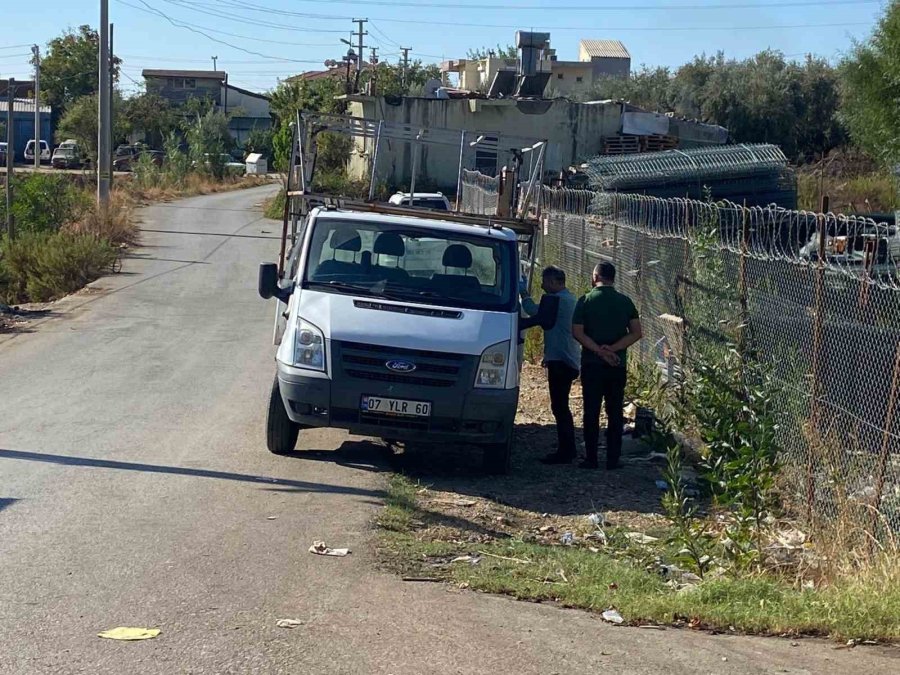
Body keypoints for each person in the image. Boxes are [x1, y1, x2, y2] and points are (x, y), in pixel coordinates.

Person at [572, 262, 643, 470]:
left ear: (595, 277)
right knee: (614, 411)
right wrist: (613, 349)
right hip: (616, 365)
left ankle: (591, 457)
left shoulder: (585, 300)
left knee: (591, 411)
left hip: (592, 364)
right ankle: (613, 458)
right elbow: (636, 332)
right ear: (613, 278)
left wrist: (599, 350)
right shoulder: (625, 301)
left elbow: (577, 332)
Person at [519, 266, 581, 464]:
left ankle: (566, 450)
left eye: (545, 281)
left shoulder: (557, 301)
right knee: (561, 405)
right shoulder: (569, 299)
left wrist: (523, 294)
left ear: (554, 282)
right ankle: (566, 446)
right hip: (566, 359)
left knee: (560, 406)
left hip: (561, 361)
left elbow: (534, 312)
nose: (542, 285)